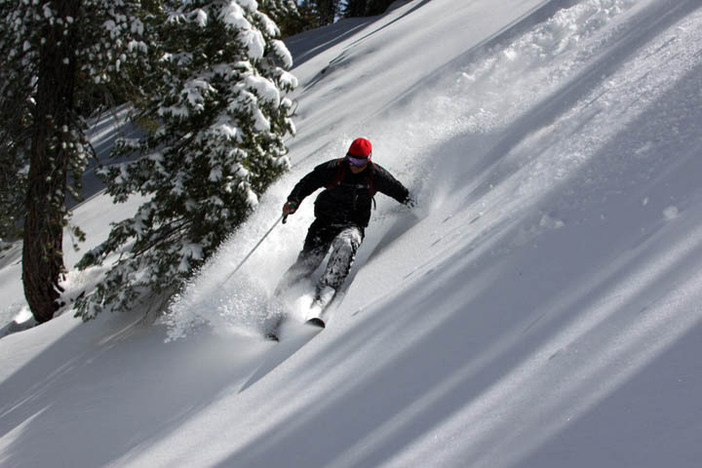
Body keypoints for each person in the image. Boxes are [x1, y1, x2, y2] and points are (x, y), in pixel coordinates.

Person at [276, 137, 414, 322]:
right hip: (325, 221)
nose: (355, 165)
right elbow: (307, 182)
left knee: (347, 244)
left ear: (368, 159)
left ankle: (327, 288)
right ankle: (279, 298)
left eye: (360, 161)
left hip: (353, 224)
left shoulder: (376, 175)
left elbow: (398, 191)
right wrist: (293, 201)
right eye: (351, 160)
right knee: (310, 260)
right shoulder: (334, 169)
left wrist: (416, 205)